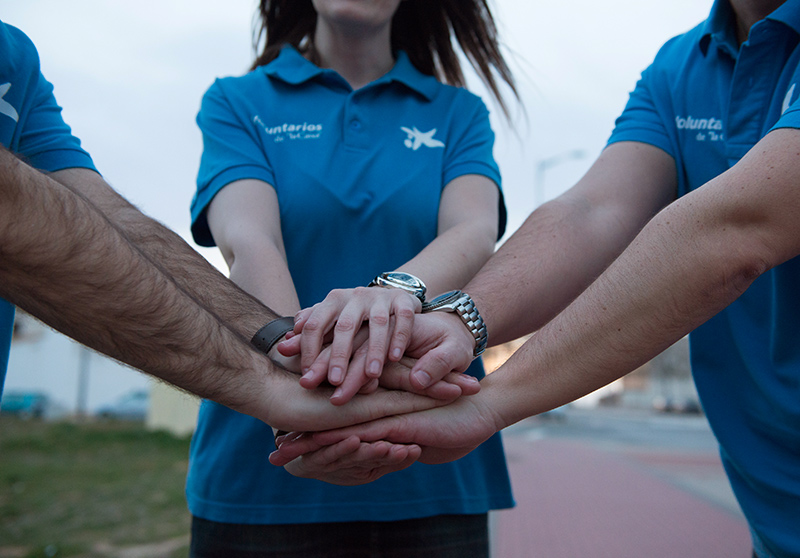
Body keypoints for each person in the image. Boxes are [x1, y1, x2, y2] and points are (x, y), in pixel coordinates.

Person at [273, 0, 800, 556]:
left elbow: (740, 227)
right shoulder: (682, 65)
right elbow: (592, 212)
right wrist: (460, 320)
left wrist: (490, 402)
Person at [0, 18, 451, 438]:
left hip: (428, 436)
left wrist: (292, 342)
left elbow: (111, 222)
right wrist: (290, 368)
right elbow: (249, 238)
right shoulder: (238, 99)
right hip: (262, 457)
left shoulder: (17, 59)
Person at [185, 0, 520, 555]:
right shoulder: (237, 101)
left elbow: (474, 230)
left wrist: (389, 297)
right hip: (264, 472)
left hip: (433, 471)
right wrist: (298, 400)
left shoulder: (459, 113)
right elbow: (248, 241)